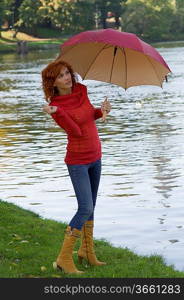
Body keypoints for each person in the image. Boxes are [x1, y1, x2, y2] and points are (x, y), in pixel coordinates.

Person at [41, 59, 111, 274]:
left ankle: (87, 253)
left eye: (67, 73)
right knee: (85, 208)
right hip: (78, 161)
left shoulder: (81, 91)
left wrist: (102, 110)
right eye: (61, 76)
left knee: (92, 208)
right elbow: (76, 131)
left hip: (96, 156)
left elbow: (89, 116)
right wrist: (57, 113)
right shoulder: (56, 107)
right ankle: (63, 258)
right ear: (53, 83)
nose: (67, 78)